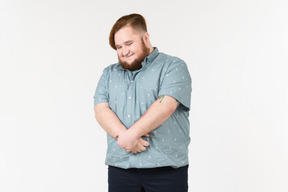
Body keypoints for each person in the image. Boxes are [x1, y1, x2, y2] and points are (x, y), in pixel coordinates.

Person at [93, 13, 192, 192]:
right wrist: (124, 137)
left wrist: (131, 136)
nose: (124, 51)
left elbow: (166, 105)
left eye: (129, 44)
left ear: (146, 38)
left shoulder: (173, 66)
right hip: (121, 168)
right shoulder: (109, 74)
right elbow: (101, 109)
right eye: (118, 47)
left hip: (166, 170)